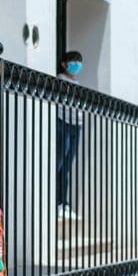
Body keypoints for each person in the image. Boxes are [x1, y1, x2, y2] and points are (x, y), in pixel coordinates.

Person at [56, 50, 84, 218]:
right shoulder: (60, 78)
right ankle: (56, 201)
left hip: (77, 125)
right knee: (59, 163)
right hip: (63, 122)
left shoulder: (77, 82)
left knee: (67, 166)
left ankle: (63, 203)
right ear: (64, 64)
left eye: (79, 61)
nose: (77, 65)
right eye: (74, 61)